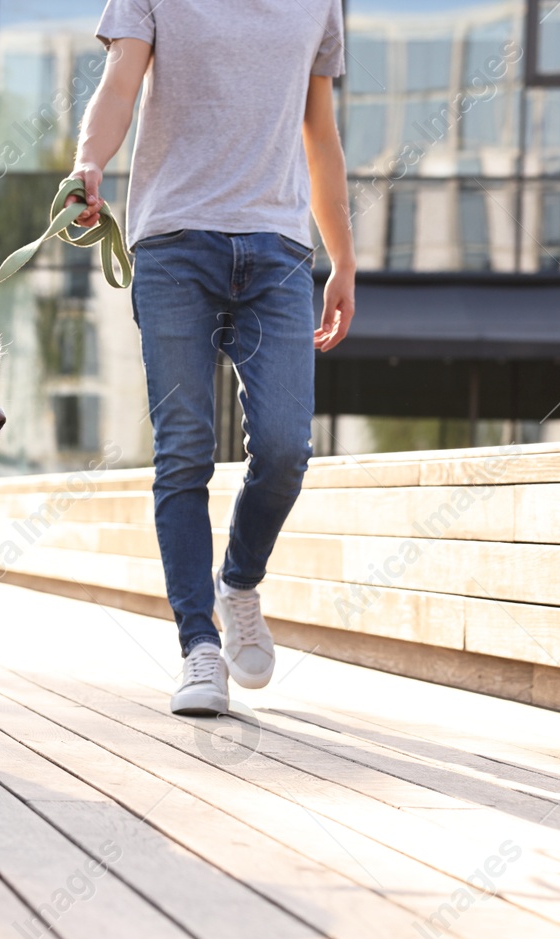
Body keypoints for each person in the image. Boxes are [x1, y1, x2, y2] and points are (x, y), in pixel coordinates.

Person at [70, 0, 356, 713]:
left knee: (288, 447)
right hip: (173, 244)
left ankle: (239, 582)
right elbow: (119, 86)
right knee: (185, 450)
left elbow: (319, 133)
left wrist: (344, 261)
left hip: (280, 251)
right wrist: (88, 161)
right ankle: (199, 647)